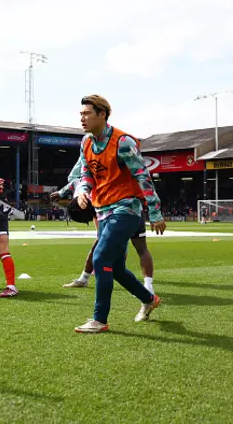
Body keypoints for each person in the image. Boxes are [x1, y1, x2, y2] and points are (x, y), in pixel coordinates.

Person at [72, 95, 165, 333]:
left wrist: (154, 212)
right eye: (81, 114)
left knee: (100, 259)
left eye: (87, 114)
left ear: (102, 114)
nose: (82, 118)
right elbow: (86, 173)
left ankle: (99, 320)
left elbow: (143, 176)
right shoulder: (86, 143)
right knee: (115, 268)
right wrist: (83, 191)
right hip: (103, 210)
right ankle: (149, 299)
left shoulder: (123, 142)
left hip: (127, 208)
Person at [52, 157, 156, 294]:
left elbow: (76, 182)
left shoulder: (100, 178)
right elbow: (76, 183)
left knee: (121, 252)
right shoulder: (105, 175)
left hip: (121, 213)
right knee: (136, 249)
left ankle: (147, 290)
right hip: (129, 211)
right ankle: (147, 288)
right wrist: (61, 192)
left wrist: (155, 213)